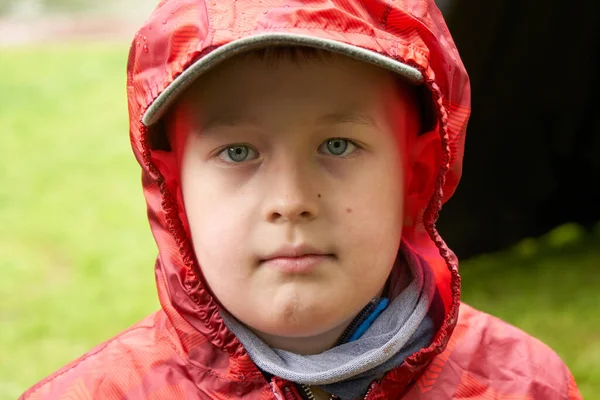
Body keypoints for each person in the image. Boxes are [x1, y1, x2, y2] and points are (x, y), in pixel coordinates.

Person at [21, 0, 582, 399]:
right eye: (238, 152)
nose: (290, 201)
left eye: (338, 145)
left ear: (414, 174)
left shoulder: (524, 385)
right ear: (175, 191)